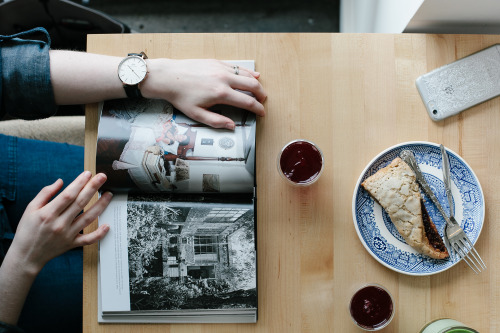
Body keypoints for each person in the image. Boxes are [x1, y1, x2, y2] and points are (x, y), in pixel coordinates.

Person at [0, 28, 266, 332]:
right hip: (12, 290)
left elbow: (11, 73)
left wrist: (150, 76)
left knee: (106, 172)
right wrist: (25, 258)